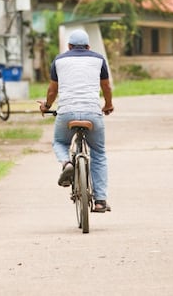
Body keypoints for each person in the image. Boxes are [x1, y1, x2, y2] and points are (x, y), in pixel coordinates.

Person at [39, 29, 114, 213]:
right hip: (92, 113)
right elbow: (106, 86)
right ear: (89, 46)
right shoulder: (99, 59)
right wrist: (108, 105)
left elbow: (52, 90)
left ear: (69, 46)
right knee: (98, 152)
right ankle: (100, 201)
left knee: (59, 142)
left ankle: (67, 163)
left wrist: (46, 106)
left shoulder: (59, 60)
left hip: (66, 113)